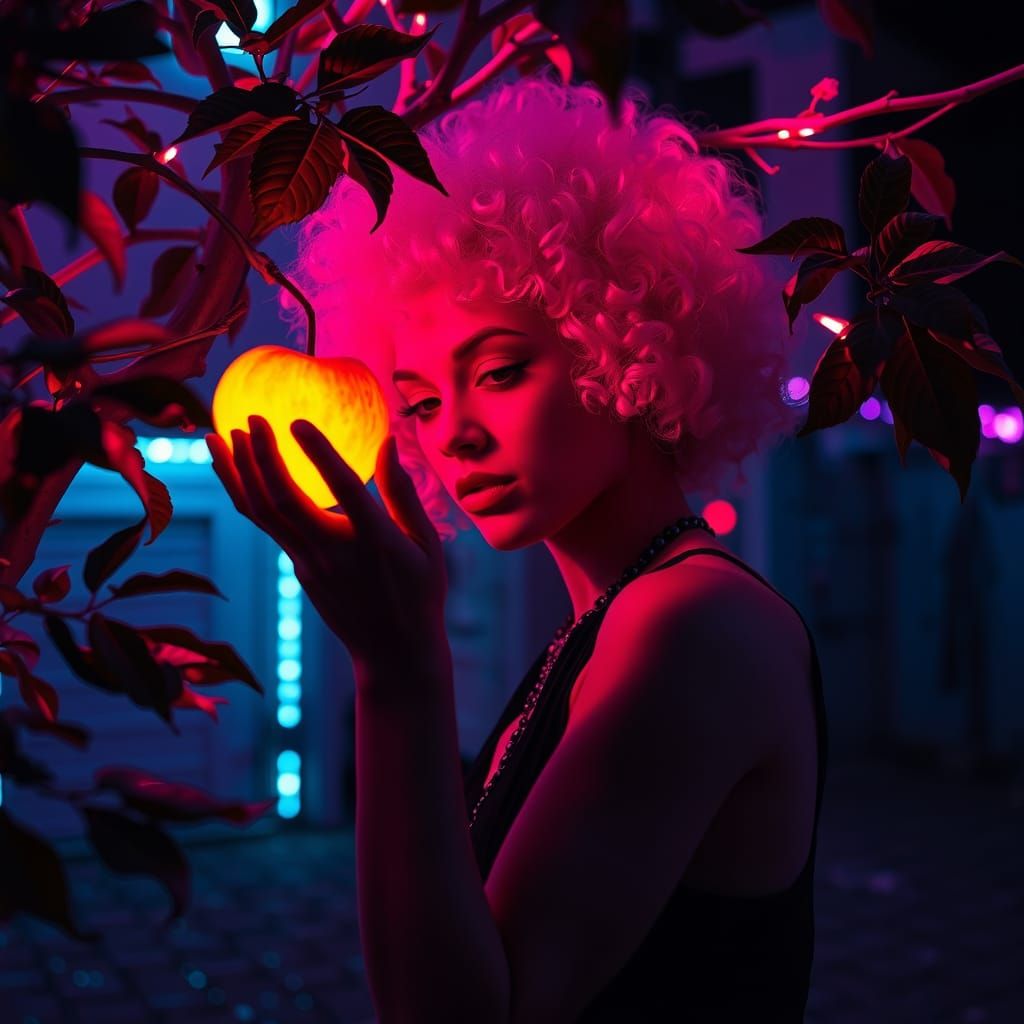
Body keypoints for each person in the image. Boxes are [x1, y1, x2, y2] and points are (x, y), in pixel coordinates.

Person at [207, 69, 828, 1023]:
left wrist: (399, 668)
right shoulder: (611, 625)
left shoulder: (695, 625)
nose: (448, 433)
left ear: (626, 342)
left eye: (498, 369)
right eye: (417, 401)